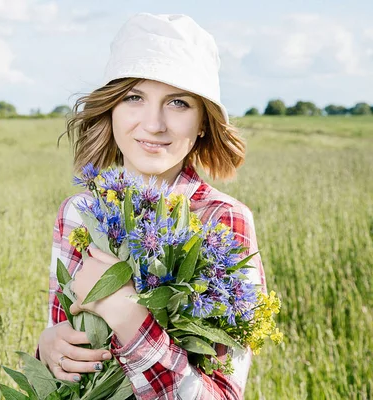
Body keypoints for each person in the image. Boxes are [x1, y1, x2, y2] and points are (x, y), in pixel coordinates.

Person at [37, 13, 267, 399]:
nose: (154, 123)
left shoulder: (224, 219)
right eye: (134, 97)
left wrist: (129, 316)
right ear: (111, 109)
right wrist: (49, 349)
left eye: (178, 103)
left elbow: (223, 394)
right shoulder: (79, 211)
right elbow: (64, 339)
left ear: (203, 124)